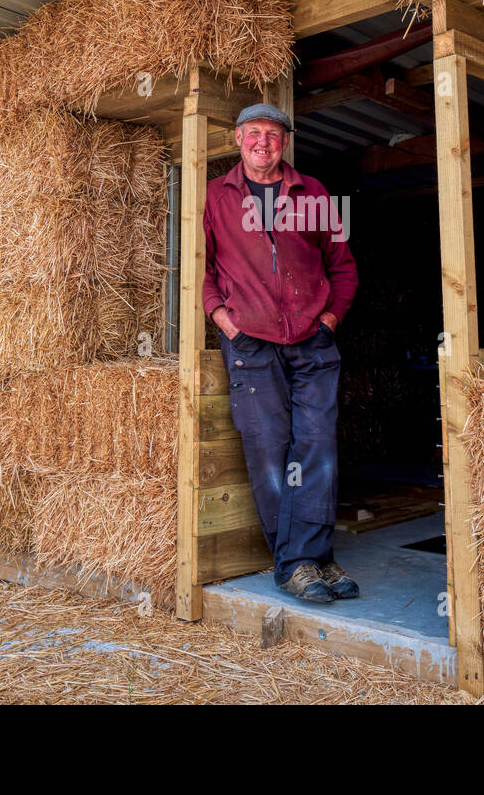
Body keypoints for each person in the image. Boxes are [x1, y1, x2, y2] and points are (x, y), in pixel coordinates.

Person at [202, 102, 359, 603]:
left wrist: (329, 321)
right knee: (270, 451)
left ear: (284, 143)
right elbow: (200, 269)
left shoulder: (311, 193)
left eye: (272, 134)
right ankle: (301, 562)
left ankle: (309, 558)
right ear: (237, 139)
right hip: (250, 343)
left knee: (318, 448)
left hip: (311, 343)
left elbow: (343, 267)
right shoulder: (215, 197)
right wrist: (222, 319)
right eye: (253, 133)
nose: (262, 142)